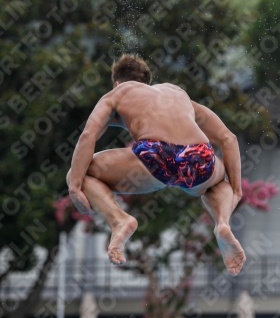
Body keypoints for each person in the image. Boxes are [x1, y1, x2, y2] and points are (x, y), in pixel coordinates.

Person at [67, 54, 246, 275]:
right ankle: (222, 224)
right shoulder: (176, 93)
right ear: (147, 84)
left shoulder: (117, 93)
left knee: (80, 172)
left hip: (156, 156)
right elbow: (229, 139)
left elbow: (88, 136)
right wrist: (237, 191)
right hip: (200, 157)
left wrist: (75, 187)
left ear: (116, 82)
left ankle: (119, 220)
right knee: (218, 184)